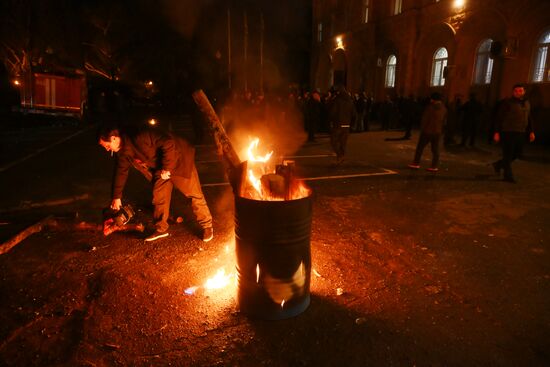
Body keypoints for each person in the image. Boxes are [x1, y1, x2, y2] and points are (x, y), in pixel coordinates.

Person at [98, 125, 214, 242]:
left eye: (107, 146)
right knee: (159, 195)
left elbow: (168, 142)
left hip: (178, 159)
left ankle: (207, 225)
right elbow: (121, 172)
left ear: (113, 138)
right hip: (160, 167)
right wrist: (116, 197)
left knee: (194, 194)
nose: (107, 150)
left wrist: (167, 168)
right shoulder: (123, 153)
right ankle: (161, 228)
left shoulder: (139, 137)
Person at [492, 84, 535, 183]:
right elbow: (499, 118)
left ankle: (498, 165)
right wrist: (496, 132)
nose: (518, 92)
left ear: (524, 92)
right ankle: (508, 176)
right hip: (508, 132)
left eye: (520, 91)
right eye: (516, 91)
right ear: (513, 92)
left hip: (521, 132)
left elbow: (529, 117)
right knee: (508, 154)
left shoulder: (527, 103)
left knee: (517, 153)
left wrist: (531, 131)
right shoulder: (507, 103)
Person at [408, 92, 447, 172]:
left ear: (433, 99)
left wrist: (422, 128)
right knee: (435, 150)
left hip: (427, 131)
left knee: (420, 148)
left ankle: (416, 163)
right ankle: (434, 166)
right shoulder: (444, 108)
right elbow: (444, 121)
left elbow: (424, 119)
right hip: (437, 132)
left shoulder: (430, 107)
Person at [328, 85, 357, 164]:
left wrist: (331, 121)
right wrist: (352, 125)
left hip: (338, 125)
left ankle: (340, 155)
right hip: (347, 126)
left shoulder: (337, 101)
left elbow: (332, 113)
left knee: (333, 142)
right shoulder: (350, 101)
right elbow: (354, 114)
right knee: (343, 143)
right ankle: (341, 157)